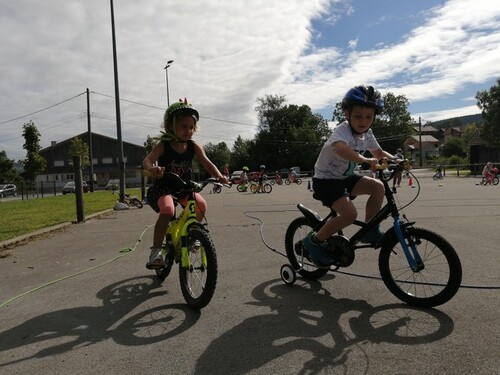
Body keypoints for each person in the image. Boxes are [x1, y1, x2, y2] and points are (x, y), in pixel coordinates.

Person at [302, 85, 397, 268]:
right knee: (350, 215)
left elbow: (378, 152)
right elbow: (341, 148)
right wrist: (363, 159)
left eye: (369, 117)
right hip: (326, 181)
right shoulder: (342, 130)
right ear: (347, 113)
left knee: (377, 187)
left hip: (344, 178)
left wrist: (396, 160)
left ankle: (370, 231)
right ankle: (313, 242)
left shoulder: (367, 134)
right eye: (358, 116)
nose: (364, 121)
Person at [143, 98, 228, 269]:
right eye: (183, 126)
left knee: (201, 205)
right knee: (168, 209)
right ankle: (156, 252)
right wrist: (152, 168)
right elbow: (147, 160)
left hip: (183, 187)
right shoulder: (164, 145)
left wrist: (219, 176)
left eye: (191, 127)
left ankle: (191, 235)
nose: (188, 131)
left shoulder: (194, 146)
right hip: (163, 188)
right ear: (170, 126)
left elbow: (207, 163)